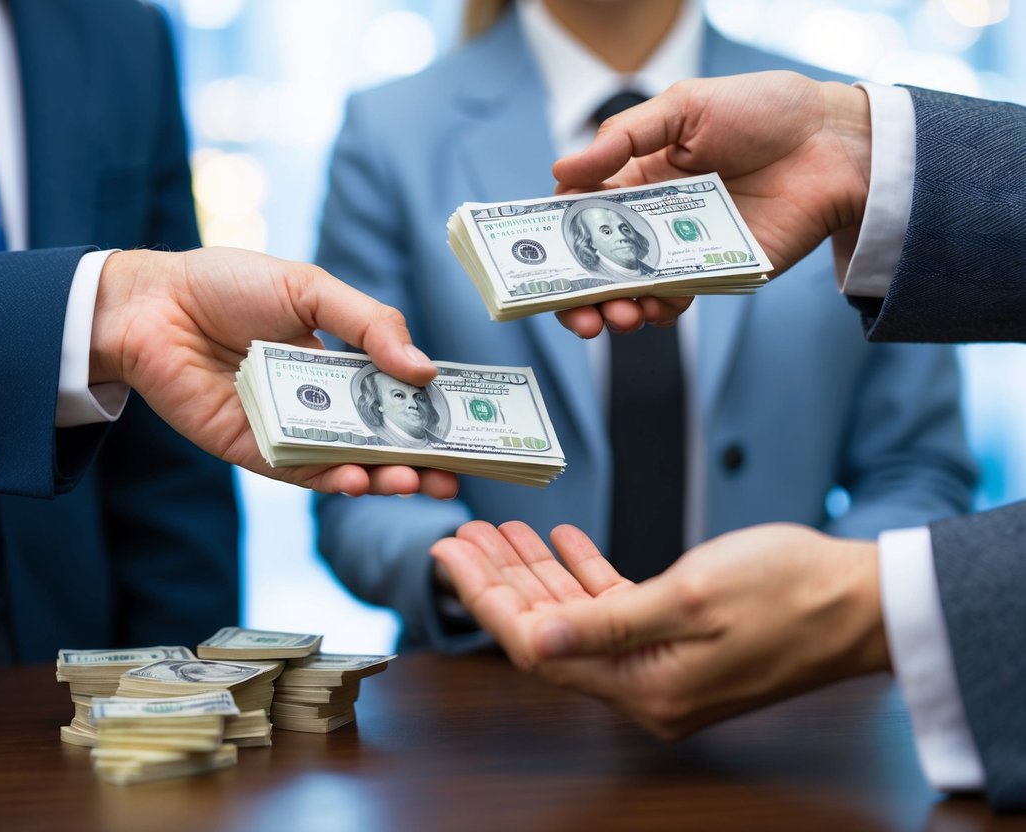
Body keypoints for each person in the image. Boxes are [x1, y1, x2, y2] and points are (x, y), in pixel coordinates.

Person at [431, 72, 1026, 810]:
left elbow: (914, 463)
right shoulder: (390, 123)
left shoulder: (797, 85)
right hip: (486, 731)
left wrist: (859, 601)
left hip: (814, 737)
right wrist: (845, 148)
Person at [313, 0, 975, 651]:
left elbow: (916, 470)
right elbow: (358, 484)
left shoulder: (843, 133)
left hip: (794, 701)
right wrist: (471, 577)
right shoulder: (390, 132)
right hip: (498, 704)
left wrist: (823, 603)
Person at [0, 0, 453, 672]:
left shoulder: (121, 30)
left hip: (76, 678)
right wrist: (92, 313)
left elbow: (169, 436)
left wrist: (193, 699)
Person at [355, 371, 445, 448]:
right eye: (399, 395)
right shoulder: (368, 442)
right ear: (378, 403)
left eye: (419, 397)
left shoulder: (440, 444)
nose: (414, 405)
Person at [567, 202, 656, 280]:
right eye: (606, 232)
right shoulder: (594, 277)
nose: (622, 236)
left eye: (625, 229)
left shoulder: (651, 271)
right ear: (589, 242)